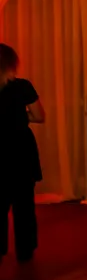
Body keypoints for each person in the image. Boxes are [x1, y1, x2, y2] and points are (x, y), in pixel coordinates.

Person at [0, 44, 44, 263]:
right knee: (24, 203)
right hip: (20, 148)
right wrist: (19, 115)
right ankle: (25, 250)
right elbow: (39, 116)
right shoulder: (23, 87)